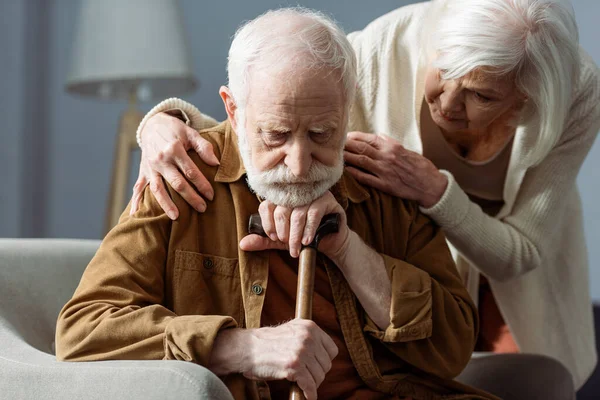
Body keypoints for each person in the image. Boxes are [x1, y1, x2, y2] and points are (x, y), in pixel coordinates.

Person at [132, 0, 600, 397]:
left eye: (480, 94)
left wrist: (434, 193)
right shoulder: (381, 48)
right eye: (443, 73)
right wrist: (165, 120)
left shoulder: (577, 93)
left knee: (538, 381)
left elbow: (520, 253)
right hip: (393, 278)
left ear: (527, 99)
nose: (448, 104)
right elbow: (272, 102)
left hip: (501, 281)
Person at [56, 8, 495, 400]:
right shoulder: (178, 177)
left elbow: (454, 348)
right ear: (232, 108)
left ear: (347, 106)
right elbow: (83, 329)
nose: (300, 164)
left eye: (322, 133)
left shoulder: (383, 183)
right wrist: (239, 347)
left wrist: (348, 251)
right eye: (276, 135)